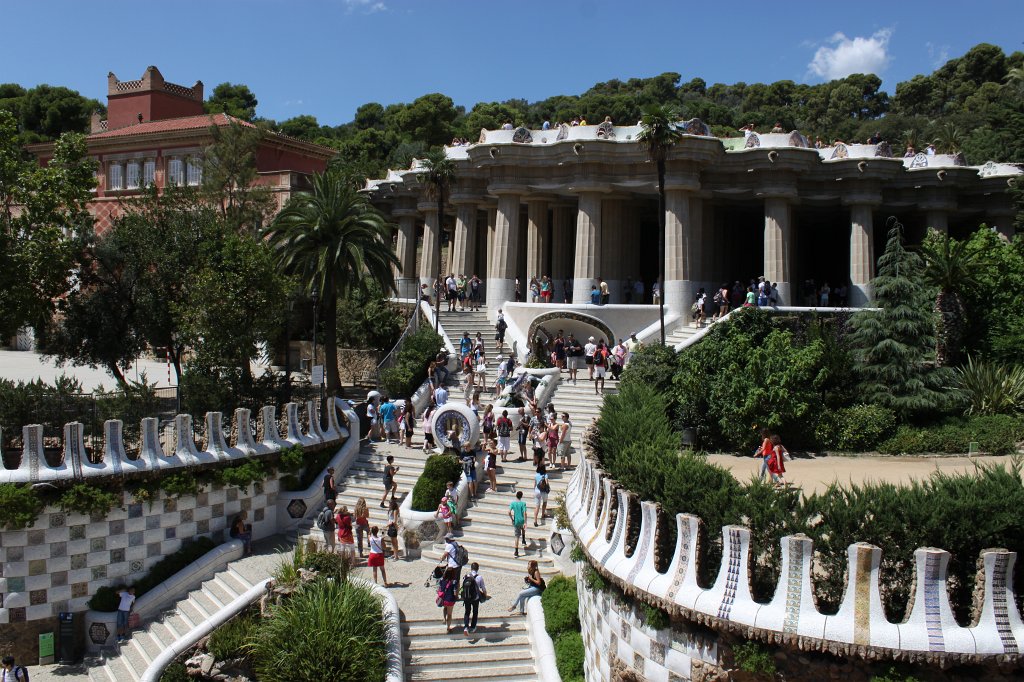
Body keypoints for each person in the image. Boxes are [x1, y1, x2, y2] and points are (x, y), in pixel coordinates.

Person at [462, 562, 487, 635]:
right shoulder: (479, 577)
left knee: (467, 612)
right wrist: (485, 595)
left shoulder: (466, 576)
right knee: (475, 612)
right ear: (477, 569)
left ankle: (466, 627)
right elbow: (483, 588)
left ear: (471, 568)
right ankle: (473, 627)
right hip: (475, 598)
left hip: (467, 597)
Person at [439, 566, 460, 632]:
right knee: (450, 614)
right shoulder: (454, 581)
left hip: (444, 598)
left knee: (445, 608)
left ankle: (444, 618)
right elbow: (456, 590)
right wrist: (456, 597)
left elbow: (440, 588)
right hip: (450, 599)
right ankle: (448, 628)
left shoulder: (442, 580)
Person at [509, 490, 528, 558]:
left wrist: (512, 519)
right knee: (523, 528)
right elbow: (525, 513)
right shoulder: (523, 503)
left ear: (516, 495)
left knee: (516, 536)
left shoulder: (513, 503)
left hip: (516, 521)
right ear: (521, 496)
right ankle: (523, 540)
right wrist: (525, 521)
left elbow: (508, 512)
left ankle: (516, 551)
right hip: (522, 520)